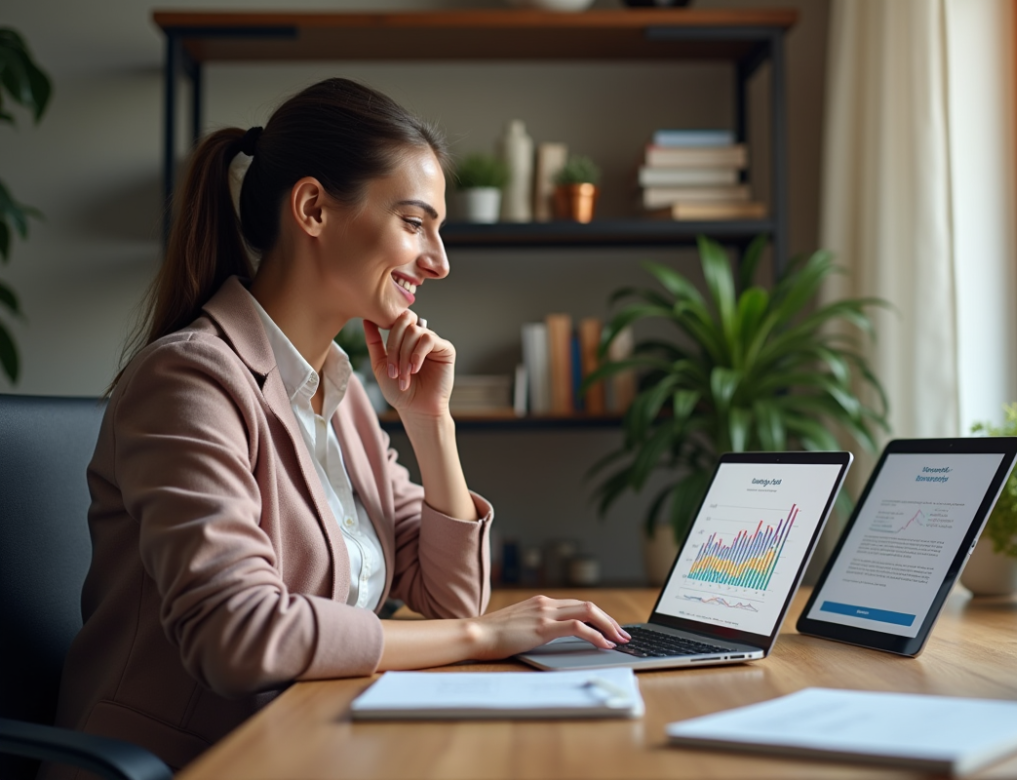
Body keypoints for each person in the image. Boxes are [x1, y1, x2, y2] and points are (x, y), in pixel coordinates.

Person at [44, 78, 628, 778]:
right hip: (195, 762)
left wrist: (429, 422)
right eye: (414, 223)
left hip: (314, 742)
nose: (440, 261)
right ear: (314, 209)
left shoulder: (340, 396)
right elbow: (239, 635)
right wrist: (481, 636)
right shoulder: (190, 381)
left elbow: (448, 599)